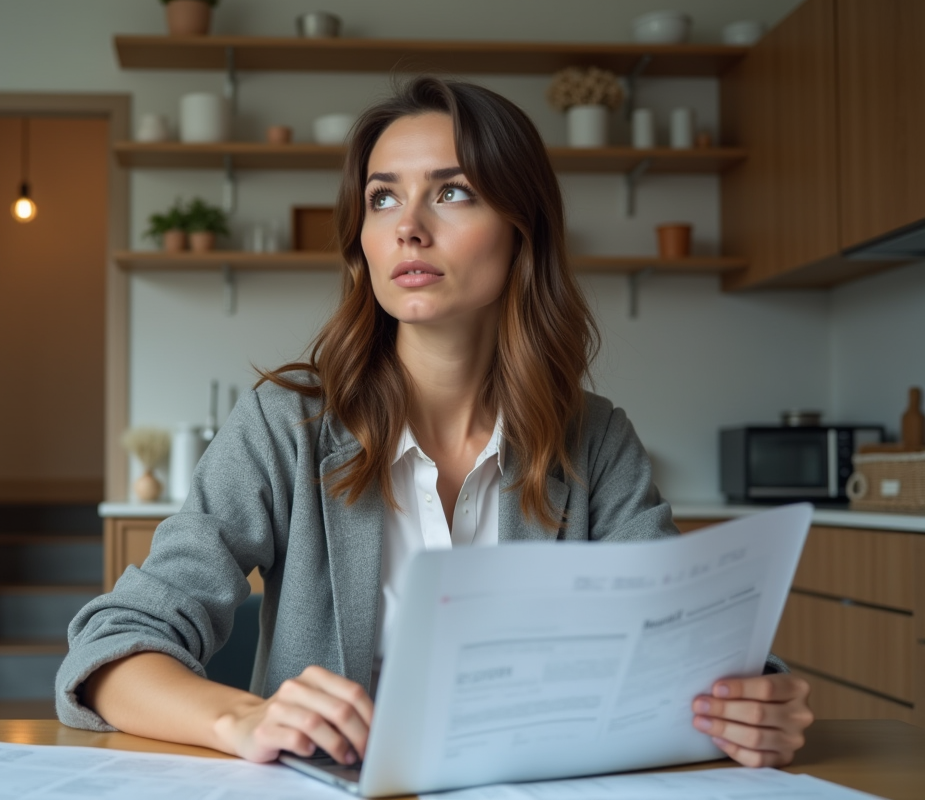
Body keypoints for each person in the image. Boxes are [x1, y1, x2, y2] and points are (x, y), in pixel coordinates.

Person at [57, 76, 812, 771]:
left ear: (522, 227)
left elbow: (676, 653)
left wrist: (750, 705)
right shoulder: (285, 425)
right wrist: (241, 719)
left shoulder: (597, 440)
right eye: (383, 199)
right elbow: (115, 648)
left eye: (452, 193)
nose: (408, 228)